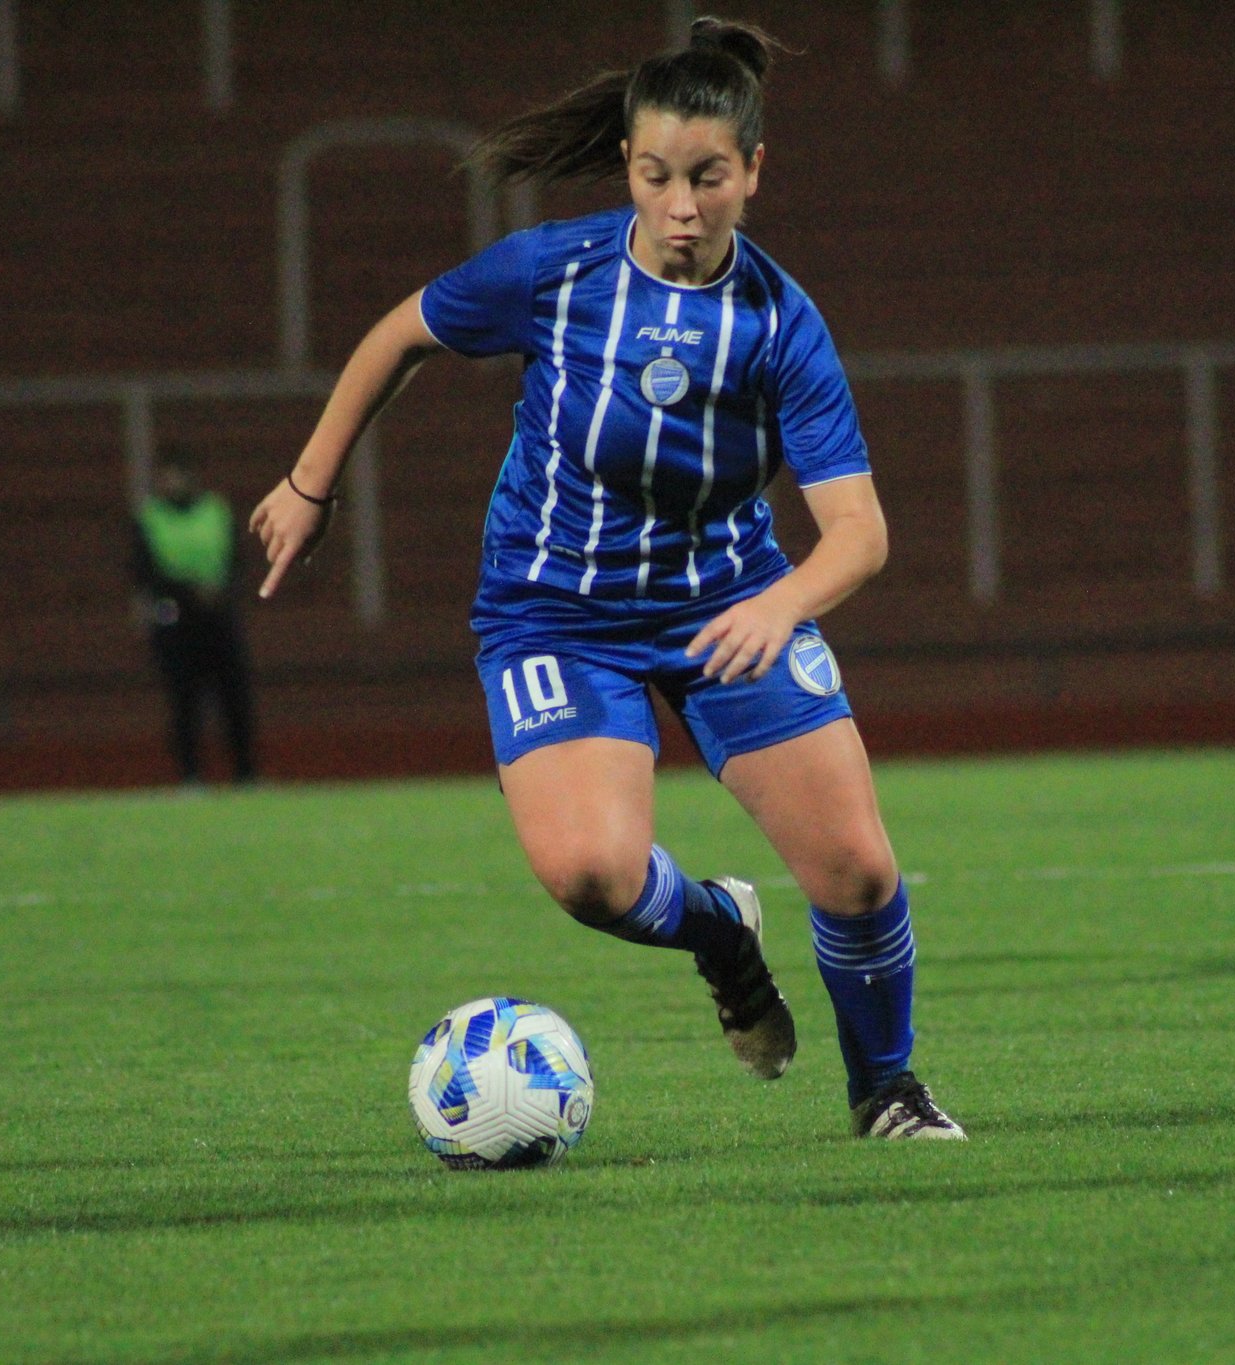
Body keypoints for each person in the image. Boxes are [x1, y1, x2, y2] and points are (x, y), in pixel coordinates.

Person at [248, 19, 962, 1139]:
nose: (681, 208)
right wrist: (308, 485)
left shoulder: (781, 324)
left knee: (859, 874)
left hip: (728, 607)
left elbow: (858, 533)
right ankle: (723, 937)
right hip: (555, 616)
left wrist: (777, 604)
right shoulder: (555, 274)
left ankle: (887, 1091)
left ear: (754, 172)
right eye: (655, 177)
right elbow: (399, 336)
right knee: (590, 874)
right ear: (626, 168)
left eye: (708, 179)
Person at [133, 449, 258, 785]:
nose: (173, 481)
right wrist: (189, 592)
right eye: (167, 475)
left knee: (235, 699)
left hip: (218, 618)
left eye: (178, 473)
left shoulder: (215, 511)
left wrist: (222, 592)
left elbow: (236, 561)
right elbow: (144, 572)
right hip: (175, 620)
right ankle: (190, 776)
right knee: (183, 703)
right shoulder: (150, 517)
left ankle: (246, 775)